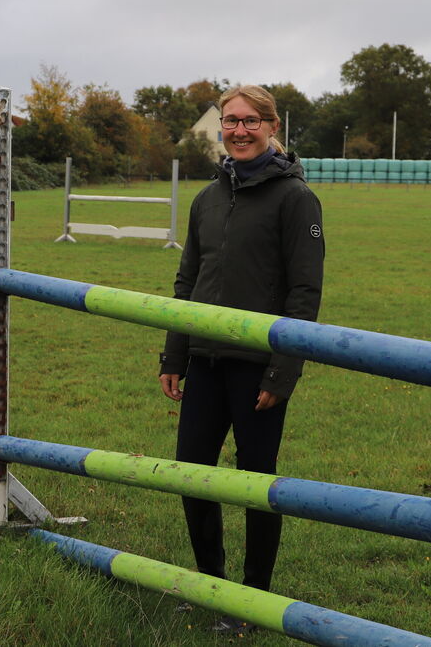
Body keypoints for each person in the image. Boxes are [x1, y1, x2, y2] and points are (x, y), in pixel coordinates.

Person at [158, 84, 324, 631]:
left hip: (259, 366)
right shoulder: (208, 198)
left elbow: (304, 292)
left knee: (257, 481)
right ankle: (212, 585)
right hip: (204, 361)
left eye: (252, 121)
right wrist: (173, 355)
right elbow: (187, 281)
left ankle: (253, 602)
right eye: (231, 121)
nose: (240, 130)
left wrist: (284, 370)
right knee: (192, 475)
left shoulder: (296, 198)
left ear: (273, 127)